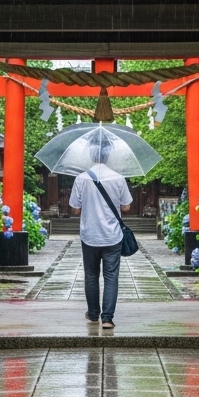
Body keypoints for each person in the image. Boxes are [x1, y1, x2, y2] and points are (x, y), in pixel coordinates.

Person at [67, 132, 132, 329]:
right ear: (108, 156)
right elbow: (127, 207)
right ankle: (107, 318)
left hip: (90, 235)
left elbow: (75, 209)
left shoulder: (81, 178)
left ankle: (93, 314)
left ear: (91, 156)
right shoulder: (118, 178)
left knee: (91, 275)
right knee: (111, 276)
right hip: (112, 235)